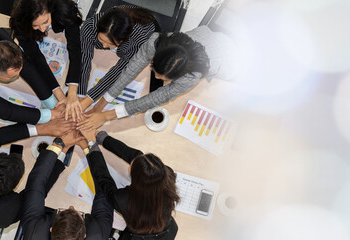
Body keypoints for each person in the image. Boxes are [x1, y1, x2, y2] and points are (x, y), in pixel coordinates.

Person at [78, 26, 238, 131]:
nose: (155, 76)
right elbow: (129, 70)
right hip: (211, 34)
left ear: (179, 77)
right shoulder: (155, 41)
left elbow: (159, 97)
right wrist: (101, 103)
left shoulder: (191, 76)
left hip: (228, 61)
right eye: (154, 70)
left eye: (162, 78)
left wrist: (107, 115)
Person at [80, 129, 180, 239]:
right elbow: (138, 157)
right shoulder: (166, 174)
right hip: (166, 230)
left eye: (132, 167)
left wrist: (92, 146)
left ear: (137, 180)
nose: (131, 162)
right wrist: (104, 139)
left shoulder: (123, 199)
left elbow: (104, 179)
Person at [66, 6, 158, 122]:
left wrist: (90, 100)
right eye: (101, 39)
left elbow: (118, 71)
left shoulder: (138, 39)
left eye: (111, 43)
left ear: (123, 39)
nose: (104, 46)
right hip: (120, 18)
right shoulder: (90, 26)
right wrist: (80, 96)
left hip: (146, 27)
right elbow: (84, 59)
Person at [21, 134, 114, 239]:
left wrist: (58, 145)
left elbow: (36, 184)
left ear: (51, 229)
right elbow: (105, 190)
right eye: (79, 214)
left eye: (63, 211)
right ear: (84, 236)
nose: (71, 207)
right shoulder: (98, 234)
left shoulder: (34, 232)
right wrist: (89, 148)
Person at [10, 0, 83, 110]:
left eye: (46, 22)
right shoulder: (20, 21)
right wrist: (60, 95)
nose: (43, 29)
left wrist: (72, 92)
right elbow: (35, 56)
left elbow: (75, 48)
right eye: (35, 25)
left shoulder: (65, 9)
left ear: (51, 9)